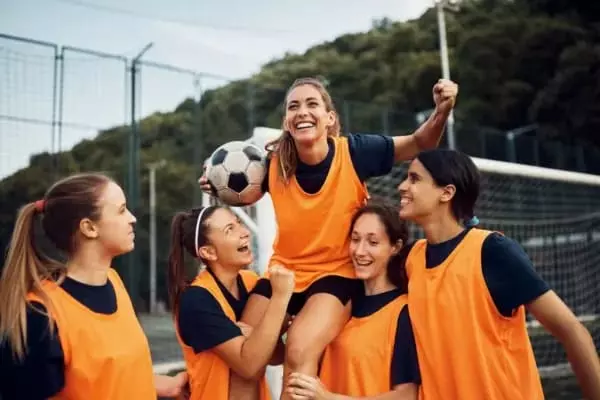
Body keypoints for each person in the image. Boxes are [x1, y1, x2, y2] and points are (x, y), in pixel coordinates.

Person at [199, 76, 458, 397]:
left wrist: (442, 110)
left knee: (298, 349)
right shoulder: (272, 164)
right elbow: (244, 189)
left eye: (312, 104)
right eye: (293, 106)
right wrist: (216, 183)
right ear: (286, 122)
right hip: (284, 273)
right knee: (245, 356)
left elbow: (421, 142)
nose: (302, 111)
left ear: (330, 118)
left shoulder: (356, 152)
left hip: (335, 275)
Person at [397, 148, 600, 399]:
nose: (402, 186)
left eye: (414, 179)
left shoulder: (492, 251)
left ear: (447, 193)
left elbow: (571, 330)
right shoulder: (410, 259)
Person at [0, 173, 187, 400]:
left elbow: (104, 377)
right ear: (89, 228)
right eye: (121, 210)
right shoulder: (40, 315)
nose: (132, 218)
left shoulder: (114, 281)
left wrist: (159, 385)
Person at [286, 200, 420, 400]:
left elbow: (406, 396)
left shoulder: (403, 311)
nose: (359, 251)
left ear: (395, 247)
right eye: (355, 239)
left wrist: (328, 398)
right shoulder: (337, 303)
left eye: (373, 242)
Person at [167, 205, 295, 400]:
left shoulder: (251, 282)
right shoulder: (196, 300)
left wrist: (254, 336)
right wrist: (280, 298)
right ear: (208, 252)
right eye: (230, 230)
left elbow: (274, 356)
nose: (244, 232)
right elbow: (249, 366)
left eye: (239, 223)